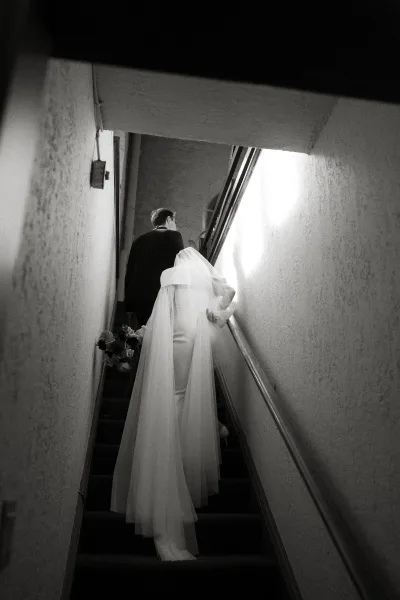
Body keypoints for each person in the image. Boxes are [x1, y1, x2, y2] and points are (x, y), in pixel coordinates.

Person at [111, 247, 236, 561]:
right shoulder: (206, 280)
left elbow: (160, 316)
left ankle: (179, 453)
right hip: (198, 338)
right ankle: (210, 431)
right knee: (186, 396)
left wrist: (142, 336)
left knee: (175, 397)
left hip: (178, 340)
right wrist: (218, 310)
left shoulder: (172, 276)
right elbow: (229, 296)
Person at [124, 208, 184, 327]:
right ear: (168, 219)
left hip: (139, 299)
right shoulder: (174, 236)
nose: (176, 227)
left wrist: (128, 305)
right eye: (174, 222)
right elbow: (179, 267)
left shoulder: (139, 240)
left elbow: (130, 272)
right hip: (161, 296)